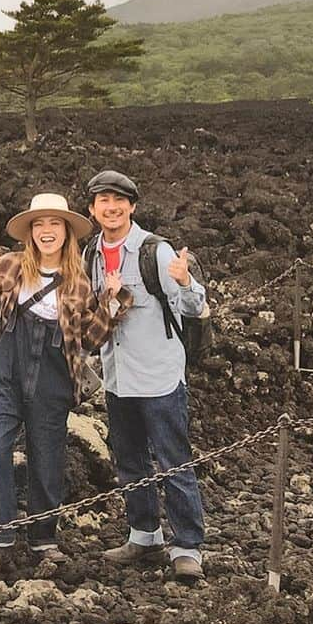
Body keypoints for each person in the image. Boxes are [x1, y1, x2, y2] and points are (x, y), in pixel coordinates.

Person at [0, 192, 131, 580]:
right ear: (30, 232)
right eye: (39, 224)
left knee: (48, 459)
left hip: (53, 378)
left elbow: (91, 339)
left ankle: (43, 540)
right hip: (8, 374)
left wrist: (114, 302)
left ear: (67, 232)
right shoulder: (10, 266)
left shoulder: (79, 283)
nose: (46, 231)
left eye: (55, 224)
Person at [84, 169, 208, 582]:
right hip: (118, 377)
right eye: (103, 200)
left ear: (132, 206)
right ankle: (145, 534)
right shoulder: (91, 256)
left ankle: (188, 546)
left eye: (119, 200)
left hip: (159, 376)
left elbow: (193, 308)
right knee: (130, 462)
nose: (112, 207)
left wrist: (185, 281)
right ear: (92, 209)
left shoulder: (154, 250)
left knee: (173, 460)